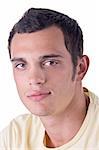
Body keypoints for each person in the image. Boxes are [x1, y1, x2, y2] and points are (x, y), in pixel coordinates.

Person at [0, 8, 99, 149]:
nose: (34, 79)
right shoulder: (15, 136)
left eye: (50, 62)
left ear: (80, 68)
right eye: (21, 65)